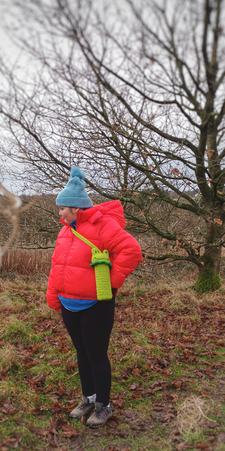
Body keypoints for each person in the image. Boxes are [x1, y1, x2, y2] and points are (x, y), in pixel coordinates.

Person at [46, 167, 142, 428]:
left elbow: (132, 251)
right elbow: (58, 265)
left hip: (95, 304)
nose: (59, 212)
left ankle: (103, 406)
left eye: (62, 207)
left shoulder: (102, 225)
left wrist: (111, 283)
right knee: (81, 352)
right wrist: (53, 294)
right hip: (69, 303)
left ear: (75, 208)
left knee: (97, 355)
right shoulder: (66, 230)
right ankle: (87, 399)